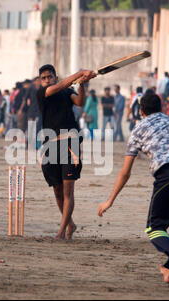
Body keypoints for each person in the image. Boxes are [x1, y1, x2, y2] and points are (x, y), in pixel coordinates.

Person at [98, 93, 169, 288]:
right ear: (161, 108)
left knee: (154, 227)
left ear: (141, 111)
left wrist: (110, 200)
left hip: (168, 174)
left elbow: (125, 172)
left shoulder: (138, 129)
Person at [36, 64, 96, 239]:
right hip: (50, 145)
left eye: (50, 77)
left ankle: (62, 231)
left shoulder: (66, 91)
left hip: (70, 143)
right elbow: (59, 86)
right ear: (41, 81)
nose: (47, 80)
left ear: (55, 76)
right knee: (57, 190)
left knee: (68, 190)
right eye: (44, 78)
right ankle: (70, 223)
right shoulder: (42, 93)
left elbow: (80, 102)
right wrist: (79, 73)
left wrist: (82, 84)